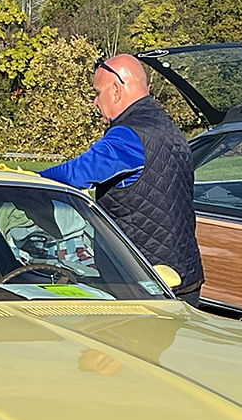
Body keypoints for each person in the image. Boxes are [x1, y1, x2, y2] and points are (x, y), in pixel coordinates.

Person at [39, 54, 203, 305]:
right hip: (184, 274)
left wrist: (28, 177)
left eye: (97, 92)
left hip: (143, 281)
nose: (95, 102)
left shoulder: (129, 136)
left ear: (115, 90)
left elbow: (77, 174)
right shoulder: (169, 128)